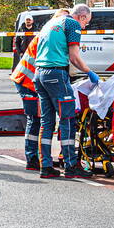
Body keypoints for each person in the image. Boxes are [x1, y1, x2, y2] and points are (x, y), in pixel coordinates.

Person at [33, 5, 96, 179]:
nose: (84, 27)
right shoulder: (72, 24)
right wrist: (89, 72)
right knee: (67, 119)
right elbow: (74, 57)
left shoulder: (52, 22)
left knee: (47, 122)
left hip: (39, 74)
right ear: (82, 17)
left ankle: (45, 165)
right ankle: (71, 165)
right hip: (56, 74)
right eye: (86, 23)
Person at [9, 10, 68, 171]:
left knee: (36, 119)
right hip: (26, 81)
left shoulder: (48, 33)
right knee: (35, 119)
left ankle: (33, 157)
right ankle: (32, 158)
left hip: (30, 80)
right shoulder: (50, 36)